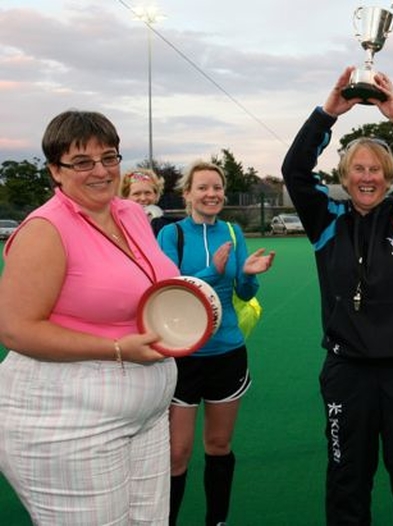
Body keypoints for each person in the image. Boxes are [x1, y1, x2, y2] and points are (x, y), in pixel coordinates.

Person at [282, 67, 393, 526]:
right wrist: (328, 112)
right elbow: (294, 170)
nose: (367, 177)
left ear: (389, 175)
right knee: (347, 477)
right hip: (348, 373)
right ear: (344, 173)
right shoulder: (327, 219)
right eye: (358, 168)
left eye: (376, 169)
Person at [0, 110, 179, 524]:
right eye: (82, 162)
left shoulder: (131, 213)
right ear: (55, 171)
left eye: (109, 157)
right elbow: (15, 330)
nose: (100, 171)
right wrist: (116, 348)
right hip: (68, 422)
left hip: (147, 415)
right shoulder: (45, 229)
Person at [157, 160, 275, 526]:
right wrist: (212, 271)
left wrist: (250, 276)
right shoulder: (171, 235)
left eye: (217, 188)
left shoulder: (233, 232)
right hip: (183, 354)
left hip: (226, 352)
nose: (212, 194)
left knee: (219, 446)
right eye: (203, 188)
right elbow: (169, 291)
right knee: (178, 453)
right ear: (188, 193)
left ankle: (217, 521)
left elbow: (243, 290)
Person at [120, 168, 174, 235]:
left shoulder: (168, 225)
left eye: (148, 193)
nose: (143, 198)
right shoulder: (117, 225)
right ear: (125, 196)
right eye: (136, 194)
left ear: (156, 194)